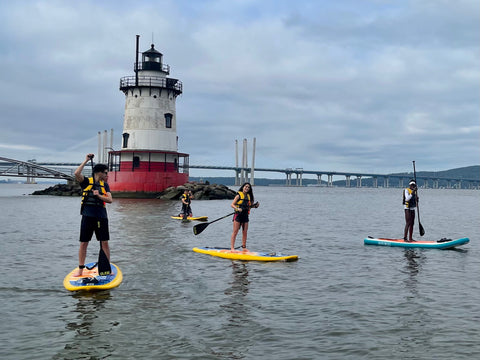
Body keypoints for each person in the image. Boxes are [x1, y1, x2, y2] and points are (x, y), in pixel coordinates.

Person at [73, 153, 113, 277]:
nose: (107, 175)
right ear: (99, 172)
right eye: (105, 173)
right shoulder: (86, 182)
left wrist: (99, 195)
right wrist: (86, 160)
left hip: (101, 217)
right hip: (88, 217)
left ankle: (107, 267)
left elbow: (110, 200)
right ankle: (80, 269)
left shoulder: (105, 185)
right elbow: (76, 174)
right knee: (84, 243)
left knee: (104, 242)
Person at [230, 182, 259, 251]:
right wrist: (237, 208)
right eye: (246, 186)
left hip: (245, 216)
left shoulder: (249, 197)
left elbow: (250, 207)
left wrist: (255, 206)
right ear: (243, 187)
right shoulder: (238, 196)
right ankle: (232, 248)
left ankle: (244, 247)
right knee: (235, 231)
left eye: (248, 187)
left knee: (245, 232)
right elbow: (232, 204)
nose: (247, 188)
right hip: (238, 215)